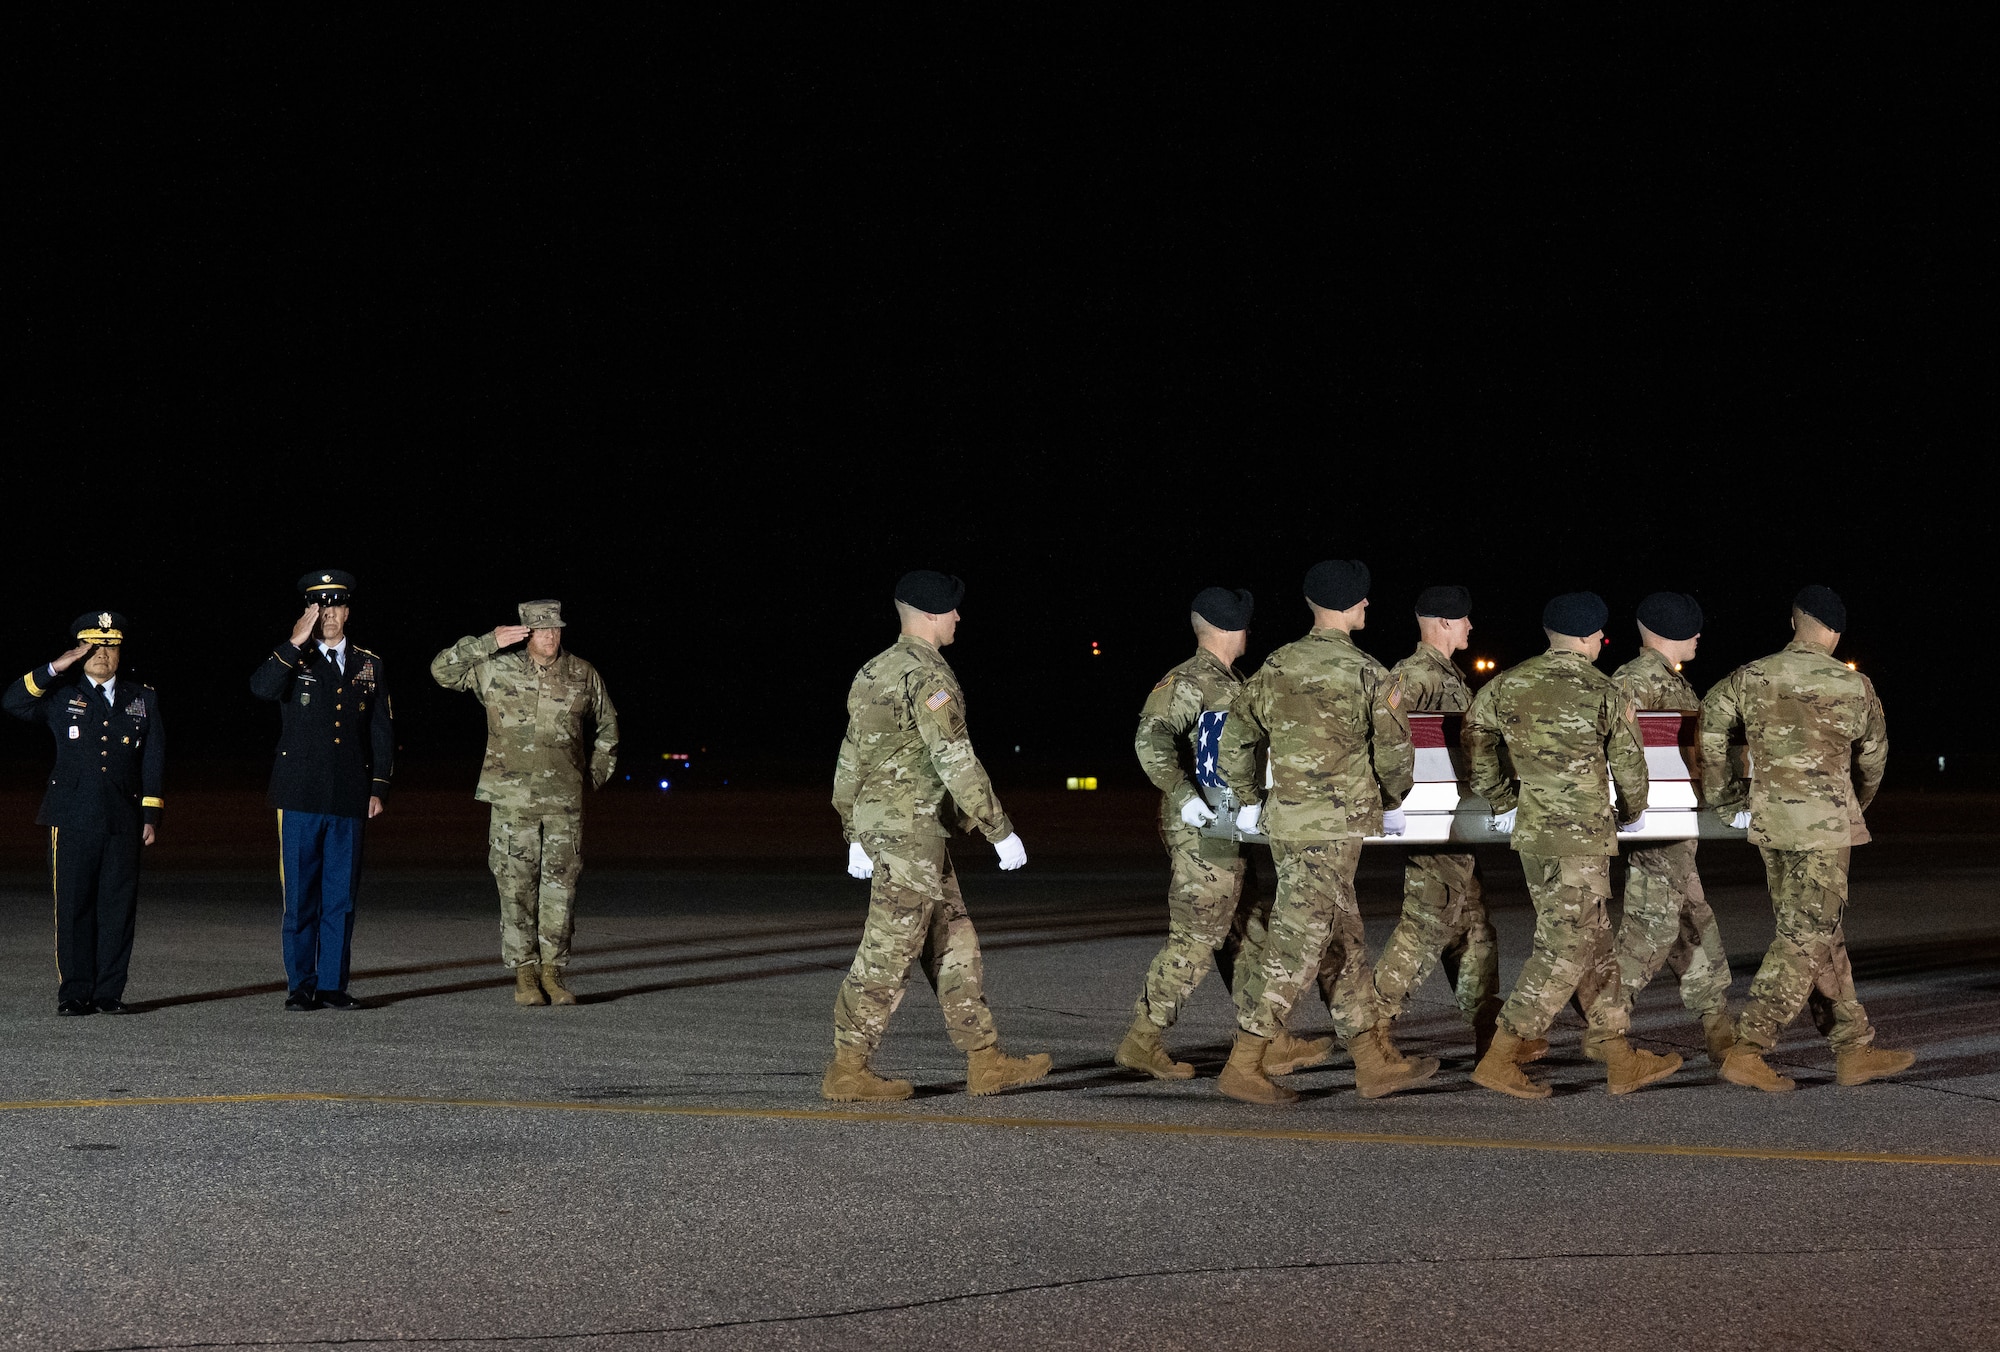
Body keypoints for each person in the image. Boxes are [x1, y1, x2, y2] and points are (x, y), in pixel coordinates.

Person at [1213, 559, 1437, 1105]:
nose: (1367, 607)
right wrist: (1391, 802)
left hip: (1288, 822)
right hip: (1336, 826)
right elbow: (1395, 754)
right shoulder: (1368, 673)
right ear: (1351, 604)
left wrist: (1247, 799)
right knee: (1298, 941)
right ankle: (1244, 1063)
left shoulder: (1275, 666)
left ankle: (1371, 1059)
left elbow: (1235, 739)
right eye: (1363, 600)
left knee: (1343, 938)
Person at [825, 570, 1051, 1101]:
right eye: (951, 610)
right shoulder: (929, 677)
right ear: (930, 615)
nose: (958, 618)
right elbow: (955, 760)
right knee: (889, 950)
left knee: (955, 941)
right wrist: (999, 829)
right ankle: (847, 1069)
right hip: (910, 836)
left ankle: (984, 1058)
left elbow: (849, 758)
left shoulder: (872, 670)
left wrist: (852, 829)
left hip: (901, 831)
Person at [1465, 591, 1683, 1098]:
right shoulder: (1604, 691)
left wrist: (1501, 799)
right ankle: (1504, 1051)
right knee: (1565, 946)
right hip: (1581, 836)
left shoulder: (1508, 684)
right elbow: (1631, 767)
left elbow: (1477, 736)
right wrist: (1630, 812)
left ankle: (1616, 1051)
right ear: (1591, 638)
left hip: (1534, 834)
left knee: (1593, 939)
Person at [1703, 586, 1914, 1091]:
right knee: (1806, 936)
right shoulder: (1854, 686)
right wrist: (1850, 804)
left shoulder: (1751, 676)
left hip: (1773, 824)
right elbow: (1874, 759)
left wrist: (1728, 799)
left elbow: (1711, 728)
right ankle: (1749, 1047)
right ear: (1835, 633)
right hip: (1825, 825)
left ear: (1794, 620)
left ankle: (1853, 1047)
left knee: (1818, 932)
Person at [1118, 586, 1315, 1079]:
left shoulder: (1233, 679)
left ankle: (1267, 1040)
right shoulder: (1189, 681)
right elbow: (1150, 740)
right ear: (1230, 629)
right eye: (1245, 625)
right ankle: (1143, 1038)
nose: (1249, 632)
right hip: (1202, 826)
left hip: (1232, 823)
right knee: (1197, 936)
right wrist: (1184, 797)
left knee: (1249, 931)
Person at [1574, 591, 1736, 1067]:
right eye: (1692, 628)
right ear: (1672, 632)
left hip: (1674, 820)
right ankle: (1605, 1026)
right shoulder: (1633, 682)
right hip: (1655, 823)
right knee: (1650, 931)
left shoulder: (1668, 681)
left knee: (1693, 921)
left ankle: (1718, 1027)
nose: (1700, 636)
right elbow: (1614, 749)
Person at [431, 600, 618, 1006]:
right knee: (515, 886)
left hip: (564, 804)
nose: (550, 636)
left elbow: (607, 728)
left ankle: (553, 973)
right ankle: (525, 976)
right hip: (512, 801)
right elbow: (442, 671)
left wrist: (591, 778)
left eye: (556, 629)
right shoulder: (498, 669)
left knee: (561, 888)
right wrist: (487, 643)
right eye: (541, 629)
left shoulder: (582, 673)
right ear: (526, 632)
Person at [4, 612, 164, 1015]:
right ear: (79, 650)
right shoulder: (61, 694)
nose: (102, 654)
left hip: (123, 817)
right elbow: (13, 702)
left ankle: (109, 993)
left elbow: (154, 757)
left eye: (110, 646)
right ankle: (74, 993)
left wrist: (150, 813)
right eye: (92, 646)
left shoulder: (142, 697)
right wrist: (56, 666)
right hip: (72, 816)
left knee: (117, 907)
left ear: (120, 651)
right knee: (73, 906)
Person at [250, 570, 394, 1012]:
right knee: (300, 898)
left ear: (348, 612)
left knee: (340, 897)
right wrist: (294, 642)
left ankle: (332, 984)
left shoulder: (369, 663)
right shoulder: (295, 658)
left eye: (336, 607)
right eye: (320, 607)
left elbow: (381, 729)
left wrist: (378, 786)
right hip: (298, 794)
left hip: (349, 795)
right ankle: (300, 984)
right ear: (309, 613)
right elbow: (261, 688)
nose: (329, 615)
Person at [1366, 584, 1501, 1057]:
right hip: (1431, 818)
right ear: (1443, 623)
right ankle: (1372, 1028)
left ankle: (1490, 1030)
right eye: (1464, 619)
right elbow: (1387, 735)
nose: (1469, 626)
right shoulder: (1413, 675)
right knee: (1426, 923)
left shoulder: (1448, 674)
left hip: (1454, 817)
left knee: (1474, 926)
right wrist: (1394, 800)